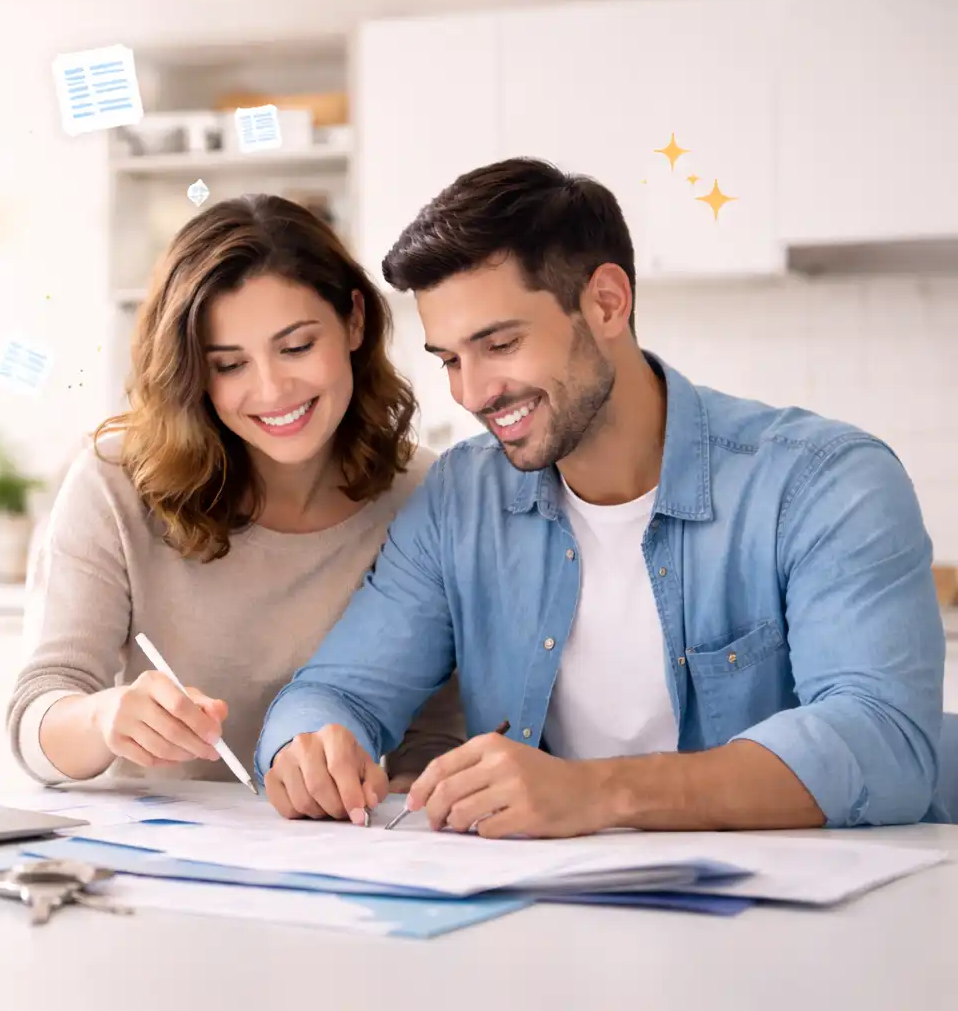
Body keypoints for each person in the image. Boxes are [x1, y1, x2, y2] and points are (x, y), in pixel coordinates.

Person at [255, 157, 948, 835]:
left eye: (500, 343)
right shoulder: (460, 499)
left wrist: (598, 793)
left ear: (607, 303)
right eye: (449, 360)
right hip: (568, 915)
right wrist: (308, 745)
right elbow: (337, 690)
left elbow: (884, 741)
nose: (471, 394)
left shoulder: (822, 482)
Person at [7, 195, 464, 796]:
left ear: (354, 320)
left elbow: (440, 734)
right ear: (193, 371)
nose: (272, 389)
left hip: (352, 853)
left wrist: (399, 788)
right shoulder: (116, 483)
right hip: (162, 861)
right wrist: (103, 718)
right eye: (229, 365)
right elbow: (35, 719)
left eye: (297, 346)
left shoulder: (429, 495)